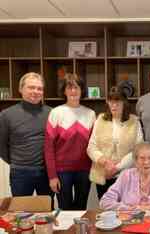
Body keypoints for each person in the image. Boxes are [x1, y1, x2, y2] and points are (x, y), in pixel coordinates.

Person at [44, 73, 96, 210]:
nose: (73, 91)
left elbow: (94, 146)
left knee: (81, 208)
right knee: (65, 209)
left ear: (82, 90)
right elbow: (48, 148)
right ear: (64, 91)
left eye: (77, 87)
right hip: (62, 172)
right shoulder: (56, 112)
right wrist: (52, 176)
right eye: (69, 87)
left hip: (85, 171)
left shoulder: (90, 114)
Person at [0, 72, 53, 199]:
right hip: (20, 172)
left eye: (39, 88)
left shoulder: (51, 113)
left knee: (46, 211)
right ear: (21, 89)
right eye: (31, 87)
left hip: (46, 172)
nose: (35, 91)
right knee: (21, 212)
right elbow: (1, 145)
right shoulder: (7, 115)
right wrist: (17, 161)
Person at [87, 87, 144, 199]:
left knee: (126, 211)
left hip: (126, 175)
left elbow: (138, 149)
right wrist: (106, 163)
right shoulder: (100, 120)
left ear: (124, 103)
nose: (114, 105)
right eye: (111, 101)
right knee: (106, 211)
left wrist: (117, 167)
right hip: (104, 175)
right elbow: (91, 147)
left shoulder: (134, 122)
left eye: (117, 101)